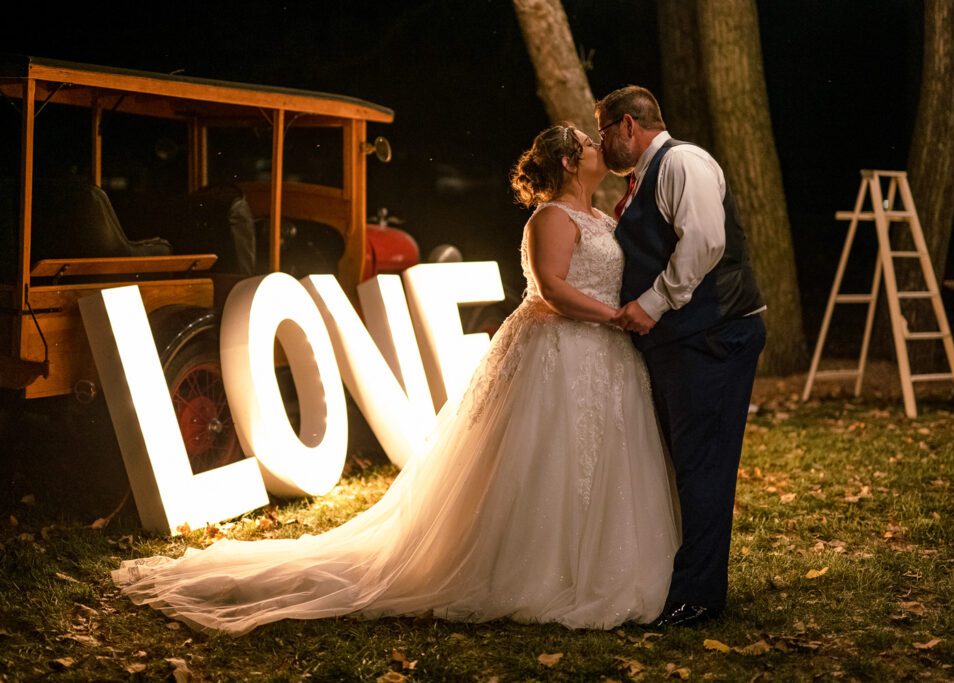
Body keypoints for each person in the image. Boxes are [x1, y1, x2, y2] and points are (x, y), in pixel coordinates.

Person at [111, 124, 679, 636]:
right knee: (548, 458)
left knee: (601, 457)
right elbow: (552, 288)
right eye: (584, 143)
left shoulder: (604, 218)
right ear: (564, 163)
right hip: (563, 349)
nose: (594, 147)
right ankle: (540, 566)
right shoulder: (552, 218)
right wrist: (615, 316)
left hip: (605, 354)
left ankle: (599, 560)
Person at [596, 86, 766, 628]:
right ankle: (684, 579)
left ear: (627, 124)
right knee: (686, 463)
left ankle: (699, 597)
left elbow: (705, 242)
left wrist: (652, 302)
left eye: (603, 130)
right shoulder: (645, 178)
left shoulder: (682, 162)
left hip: (713, 336)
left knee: (704, 467)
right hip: (682, 342)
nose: (601, 143)